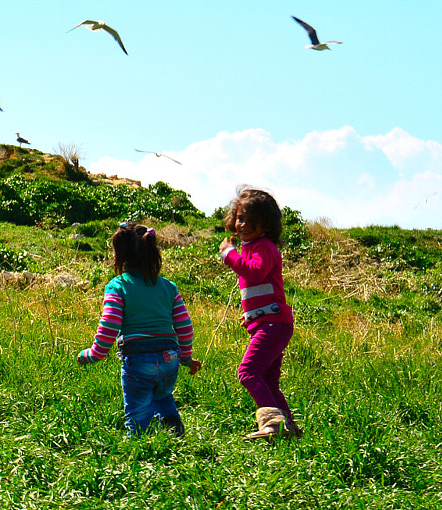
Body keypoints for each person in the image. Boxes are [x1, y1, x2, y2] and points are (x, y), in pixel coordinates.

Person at [78, 222, 203, 435]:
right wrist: (185, 358)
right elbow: (185, 326)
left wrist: (94, 354)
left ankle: (138, 446)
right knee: (163, 395)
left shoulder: (118, 286)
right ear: (153, 253)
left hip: (138, 359)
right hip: (169, 359)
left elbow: (109, 325)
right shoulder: (168, 286)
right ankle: (172, 426)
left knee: (138, 409)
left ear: (119, 255)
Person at [220, 186, 301, 440]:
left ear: (266, 225)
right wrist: (252, 314)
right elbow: (263, 288)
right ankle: (290, 429)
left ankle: (271, 424)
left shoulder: (263, 247)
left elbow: (254, 272)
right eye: (240, 218)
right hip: (269, 322)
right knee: (268, 380)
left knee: (248, 371)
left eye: (251, 222)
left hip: (273, 324)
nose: (243, 225)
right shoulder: (254, 246)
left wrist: (229, 255)